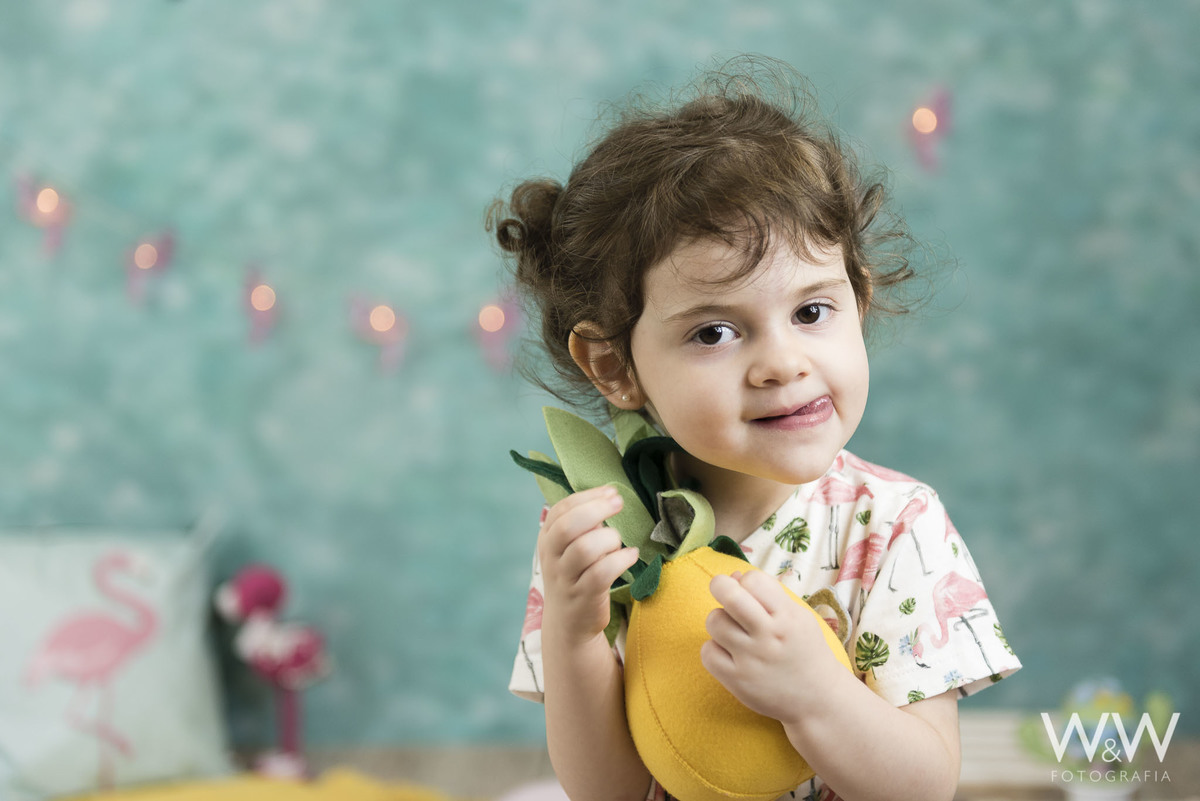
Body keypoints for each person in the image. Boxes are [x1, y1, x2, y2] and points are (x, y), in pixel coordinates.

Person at [488, 58, 1020, 801]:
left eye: (811, 311)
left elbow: (924, 785)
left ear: (857, 302)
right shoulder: (605, 537)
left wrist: (815, 694)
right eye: (714, 332)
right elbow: (608, 792)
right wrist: (574, 635)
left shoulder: (894, 526)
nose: (781, 363)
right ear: (615, 367)